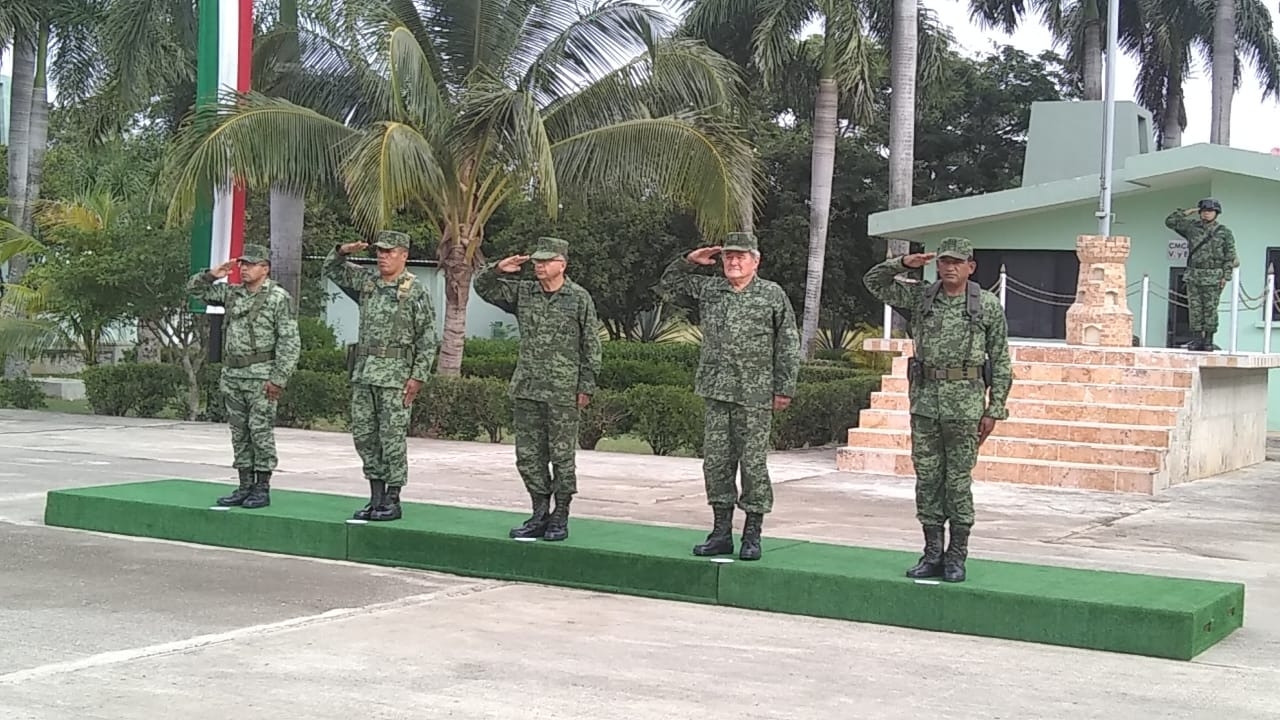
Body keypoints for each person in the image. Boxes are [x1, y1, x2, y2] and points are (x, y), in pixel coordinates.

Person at [862, 237, 1012, 583]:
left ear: (970, 267)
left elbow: (1001, 358)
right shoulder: (921, 299)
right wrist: (904, 264)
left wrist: (995, 407)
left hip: (966, 407)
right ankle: (932, 554)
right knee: (927, 480)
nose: (949, 267)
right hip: (927, 404)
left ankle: (957, 556)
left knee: (957, 483)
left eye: (957, 262)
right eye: (944, 261)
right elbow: (873, 282)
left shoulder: (986, 306)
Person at [657, 232, 801, 561]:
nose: (733, 262)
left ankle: (752, 534)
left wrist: (784, 387)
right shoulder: (710, 290)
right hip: (717, 390)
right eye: (728, 257)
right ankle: (721, 532)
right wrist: (689, 260)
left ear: (756, 261)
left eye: (741, 257)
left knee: (752, 464)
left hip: (755, 392)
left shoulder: (771, 294)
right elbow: (668, 287)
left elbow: (788, 343)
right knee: (717, 464)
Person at [473, 237, 602, 541]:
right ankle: (539, 511)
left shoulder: (578, 297)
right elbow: (483, 288)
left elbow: (591, 345)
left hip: (563, 391)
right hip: (528, 387)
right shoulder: (524, 292)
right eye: (537, 262)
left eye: (546, 261)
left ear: (562, 264)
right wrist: (497, 268)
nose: (540, 267)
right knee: (528, 455)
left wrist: (586, 385)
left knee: (561, 455)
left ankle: (561, 514)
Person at [323, 230, 438, 522]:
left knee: (392, 439)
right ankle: (375, 497)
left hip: (396, 377)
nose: (383, 257)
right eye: (380, 252)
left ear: (404, 255)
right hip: (365, 374)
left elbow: (427, 338)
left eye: (389, 252)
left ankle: (393, 498)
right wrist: (342, 249)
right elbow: (330, 269)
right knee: (364, 436)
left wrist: (418, 377)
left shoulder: (415, 290)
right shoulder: (367, 282)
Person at [186, 243, 301, 509]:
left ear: (265, 268)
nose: (245, 269)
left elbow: (289, 341)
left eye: (251, 264)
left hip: (261, 375)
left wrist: (279, 378)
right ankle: (244, 484)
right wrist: (212, 274)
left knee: (259, 432)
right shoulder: (232, 294)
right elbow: (194, 291)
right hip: (234, 374)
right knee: (239, 433)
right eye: (243, 264)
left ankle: (262, 487)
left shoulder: (278, 298)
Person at [1165, 199, 1239, 351]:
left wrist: (1226, 276)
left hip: (1213, 274)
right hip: (1194, 274)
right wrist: (1188, 211)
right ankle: (1197, 339)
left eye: (1210, 211)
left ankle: (1208, 341)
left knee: (1210, 309)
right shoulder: (1192, 228)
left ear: (1216, 213)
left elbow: (1229, 255)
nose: (1206, 213)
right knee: (1195, 309)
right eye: (1203, 211)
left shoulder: (1224, 232)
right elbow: (1170, 221)